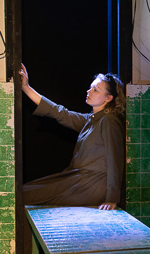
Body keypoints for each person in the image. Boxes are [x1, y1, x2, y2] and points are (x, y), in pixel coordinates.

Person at [20, 64, 126, 211]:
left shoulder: (109, 121)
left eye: (96, 90)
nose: (89, 91)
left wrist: (112, 198)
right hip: (78, 179)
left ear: (108, 98)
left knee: (24, 194)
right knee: (24, 190)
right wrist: (26, 87)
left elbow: (115, 160)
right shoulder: (90, 119)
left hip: (92, 184)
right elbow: (59, 112)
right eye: (90, 88)